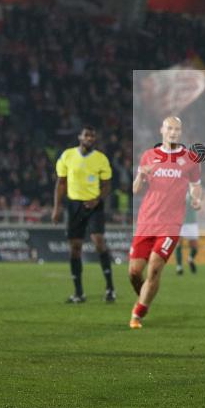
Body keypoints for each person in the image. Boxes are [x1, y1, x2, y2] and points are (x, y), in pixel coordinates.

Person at [129, 117, 202, 329]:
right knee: (134, 272)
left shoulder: (190, 159)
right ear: (161, 130)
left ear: (181, 132)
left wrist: (197, 199)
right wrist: (141, 175)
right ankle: (145, 294)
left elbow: (196, 185)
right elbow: (135, 189)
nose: (173, 132)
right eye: (169, 128)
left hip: (171, 224)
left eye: (177, 129)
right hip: (146, 221)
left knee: (154, 268)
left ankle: (138, 313)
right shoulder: (148, 156)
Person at [52, 126, 115, 303]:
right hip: (74, 206)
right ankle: (79, 293)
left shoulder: (101, 159)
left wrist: (97, 199)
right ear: (80, 137)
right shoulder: (67, 156)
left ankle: (110, 288)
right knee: (75, 248)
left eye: (92, 136)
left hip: (94, 205)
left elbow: (107, 185)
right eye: (87, 135)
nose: (90, 138)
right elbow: (61, 183)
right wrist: (57, 207)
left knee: (99, 242)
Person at [175, 190, 202, 275]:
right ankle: (179, 267)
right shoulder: (177, 192)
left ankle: (190, 259)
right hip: (180, 222)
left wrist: (198, 204)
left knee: (194, 246)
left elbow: (198, 205)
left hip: (192, 223)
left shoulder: (193, 192)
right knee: (179, 243)